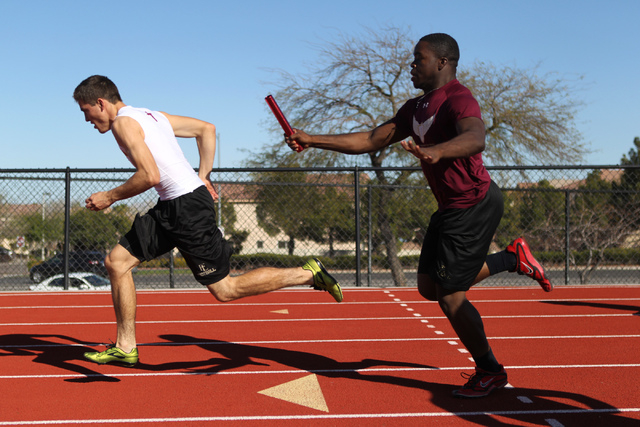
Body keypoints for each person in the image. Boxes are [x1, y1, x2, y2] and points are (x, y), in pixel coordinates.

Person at [285, 33, 552, 398]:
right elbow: (372, 139)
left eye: (418, 59)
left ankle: (490, 370)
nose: (411, 65)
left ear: (442, 62)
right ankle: (512, 257)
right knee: (430, 287)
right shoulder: (415, 109)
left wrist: (439, 151)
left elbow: (476, 137)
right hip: (449, 208)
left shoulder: (459, 97)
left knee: (450, 297)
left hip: (474, 203)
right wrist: (313, 139)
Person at [73, 75, 343, 367]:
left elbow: (150, 176)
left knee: (225, 290)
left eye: (85, 110)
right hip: (172, 205)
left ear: (100, 103)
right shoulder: (151, 115)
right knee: (117, 262)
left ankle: (308, 274)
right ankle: (126, 346)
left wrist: (110, 196)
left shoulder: (123, 123)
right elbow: (206, 129)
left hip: (188, 208)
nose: (86, 119)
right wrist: (203, 175)